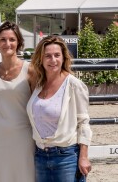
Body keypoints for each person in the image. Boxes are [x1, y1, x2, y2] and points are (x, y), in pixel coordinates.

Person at [26, 35, 92, 182]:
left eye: (57, 55)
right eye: (48, 56)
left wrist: (84, 157)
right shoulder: (38, 85)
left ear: (64, 58)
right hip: (40, 156)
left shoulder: (74, 85)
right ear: (41, 59)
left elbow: (83, 123)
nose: (53, 60)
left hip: (66, 157)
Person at [0, 21, 35, 182]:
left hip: (24, 136)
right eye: (3, 39)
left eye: (12, 39)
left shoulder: (31, 70)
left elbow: (37, 105)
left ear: (19, 42)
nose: (8, 43)